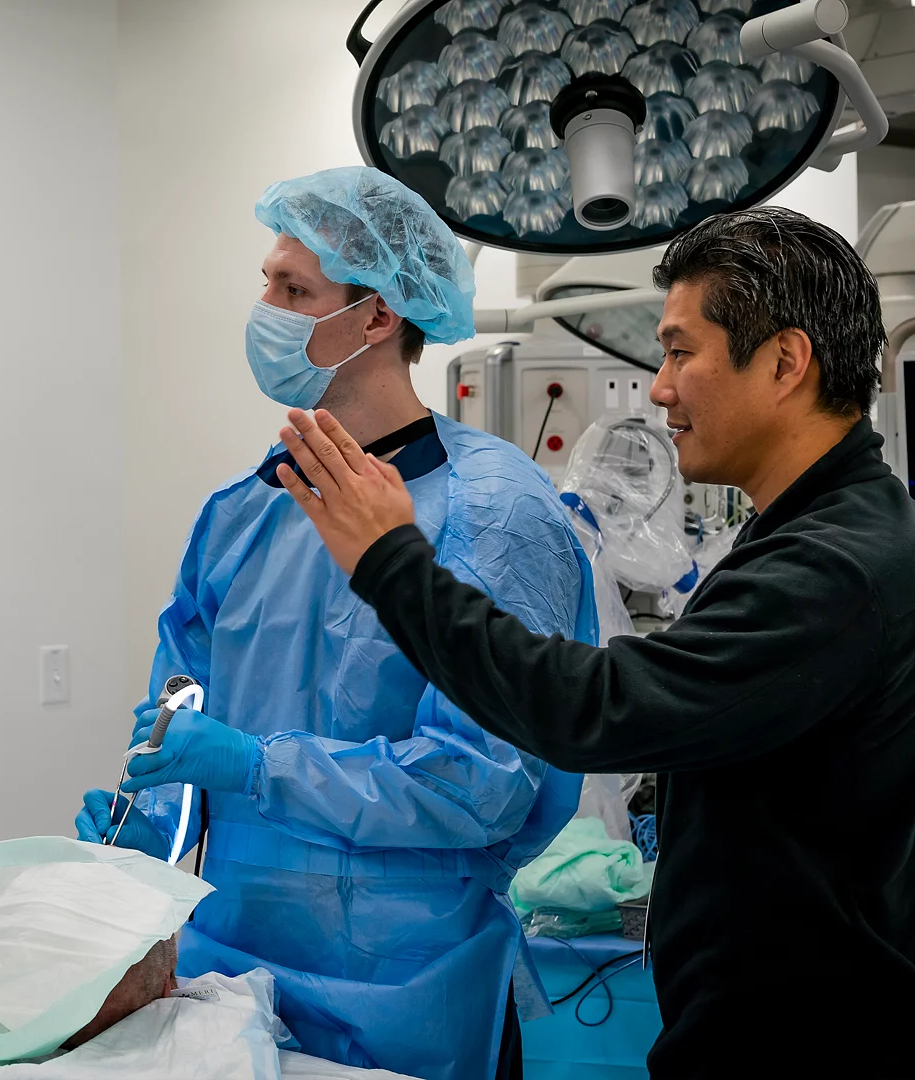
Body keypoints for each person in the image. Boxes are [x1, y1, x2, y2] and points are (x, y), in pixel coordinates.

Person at [272, 207, 915, 1078]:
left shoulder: (838, 568)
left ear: (784, 362)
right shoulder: (819, 531)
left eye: (680, 352)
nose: (658, 389)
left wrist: (390, 560)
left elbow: (593, 708)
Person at [76, 166, 599, 1080]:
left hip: (410, 988)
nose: (265, 311)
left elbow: (483, 784)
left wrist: (255, 765)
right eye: (268, 284)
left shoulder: (495, 513)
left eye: (294, 291)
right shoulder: (243, 513)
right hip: (231, 980)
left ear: (377, 316)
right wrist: (146, 825)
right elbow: (178, 715)